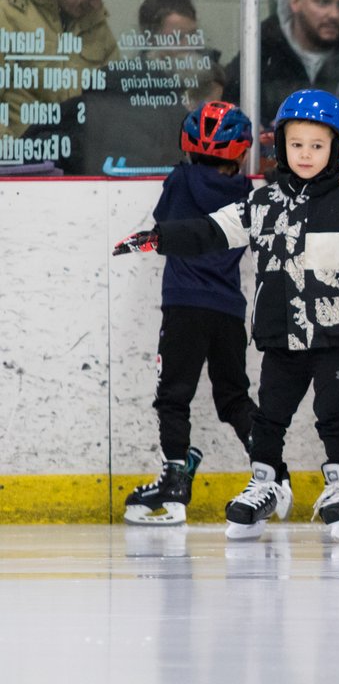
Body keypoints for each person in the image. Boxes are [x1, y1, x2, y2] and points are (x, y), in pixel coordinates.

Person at [113, 89, 339, 542]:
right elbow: (210, 230)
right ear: (281, 146)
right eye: (296, 144)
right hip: (280, 334)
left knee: (331, 413)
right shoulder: (262, 204)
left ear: (335, 150)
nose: (305, 154)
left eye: (317, 146)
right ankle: (265, 483)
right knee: (269, 417)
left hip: (330, 331)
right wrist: (160, 238)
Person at [121, 101, 258, 526]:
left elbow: (164, 225)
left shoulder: (181, 180)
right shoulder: (245, 191)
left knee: (173, 398)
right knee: (234, 397)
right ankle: (272, 472)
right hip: (229, 311)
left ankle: (175, 482)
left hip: (184, 306)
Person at [27, 0, 215, 175]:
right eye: (177, 38)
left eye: (193, 35)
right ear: (151, 38)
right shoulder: (130, 91)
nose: (187, 46)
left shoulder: (210, 83)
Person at [0, 0, 124, 148]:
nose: (97, 4)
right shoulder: (7, 13)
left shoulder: (96, 25)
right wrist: (13, 158)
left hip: (85, 166)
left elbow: (118, 105)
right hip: (21, 169)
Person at [224, 0, 339, 129]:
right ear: (296, 2)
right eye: (323, 2)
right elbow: (231, 109)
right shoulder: (262, 51)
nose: (334, 14)